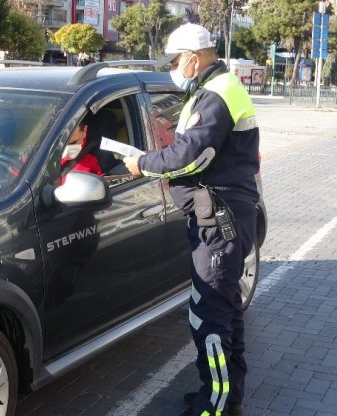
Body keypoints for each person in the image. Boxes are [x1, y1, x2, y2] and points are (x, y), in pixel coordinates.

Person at [123, 23, 260, 416]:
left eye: (174, 60)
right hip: (223, 214)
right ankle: (227, 398)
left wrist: (141, 164)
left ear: (193, 58)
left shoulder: (216, 94)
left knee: (210, 317)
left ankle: (212, 406)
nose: (172, 67)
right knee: (226, 310)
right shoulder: (215, 88)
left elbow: (189, 156)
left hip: (220, 219)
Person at [61, 112, 104, 183]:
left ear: (85, 131)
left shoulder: (96, 159)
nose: (66, 148)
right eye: (62, 144)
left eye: (73, 142)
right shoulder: (45, 149)